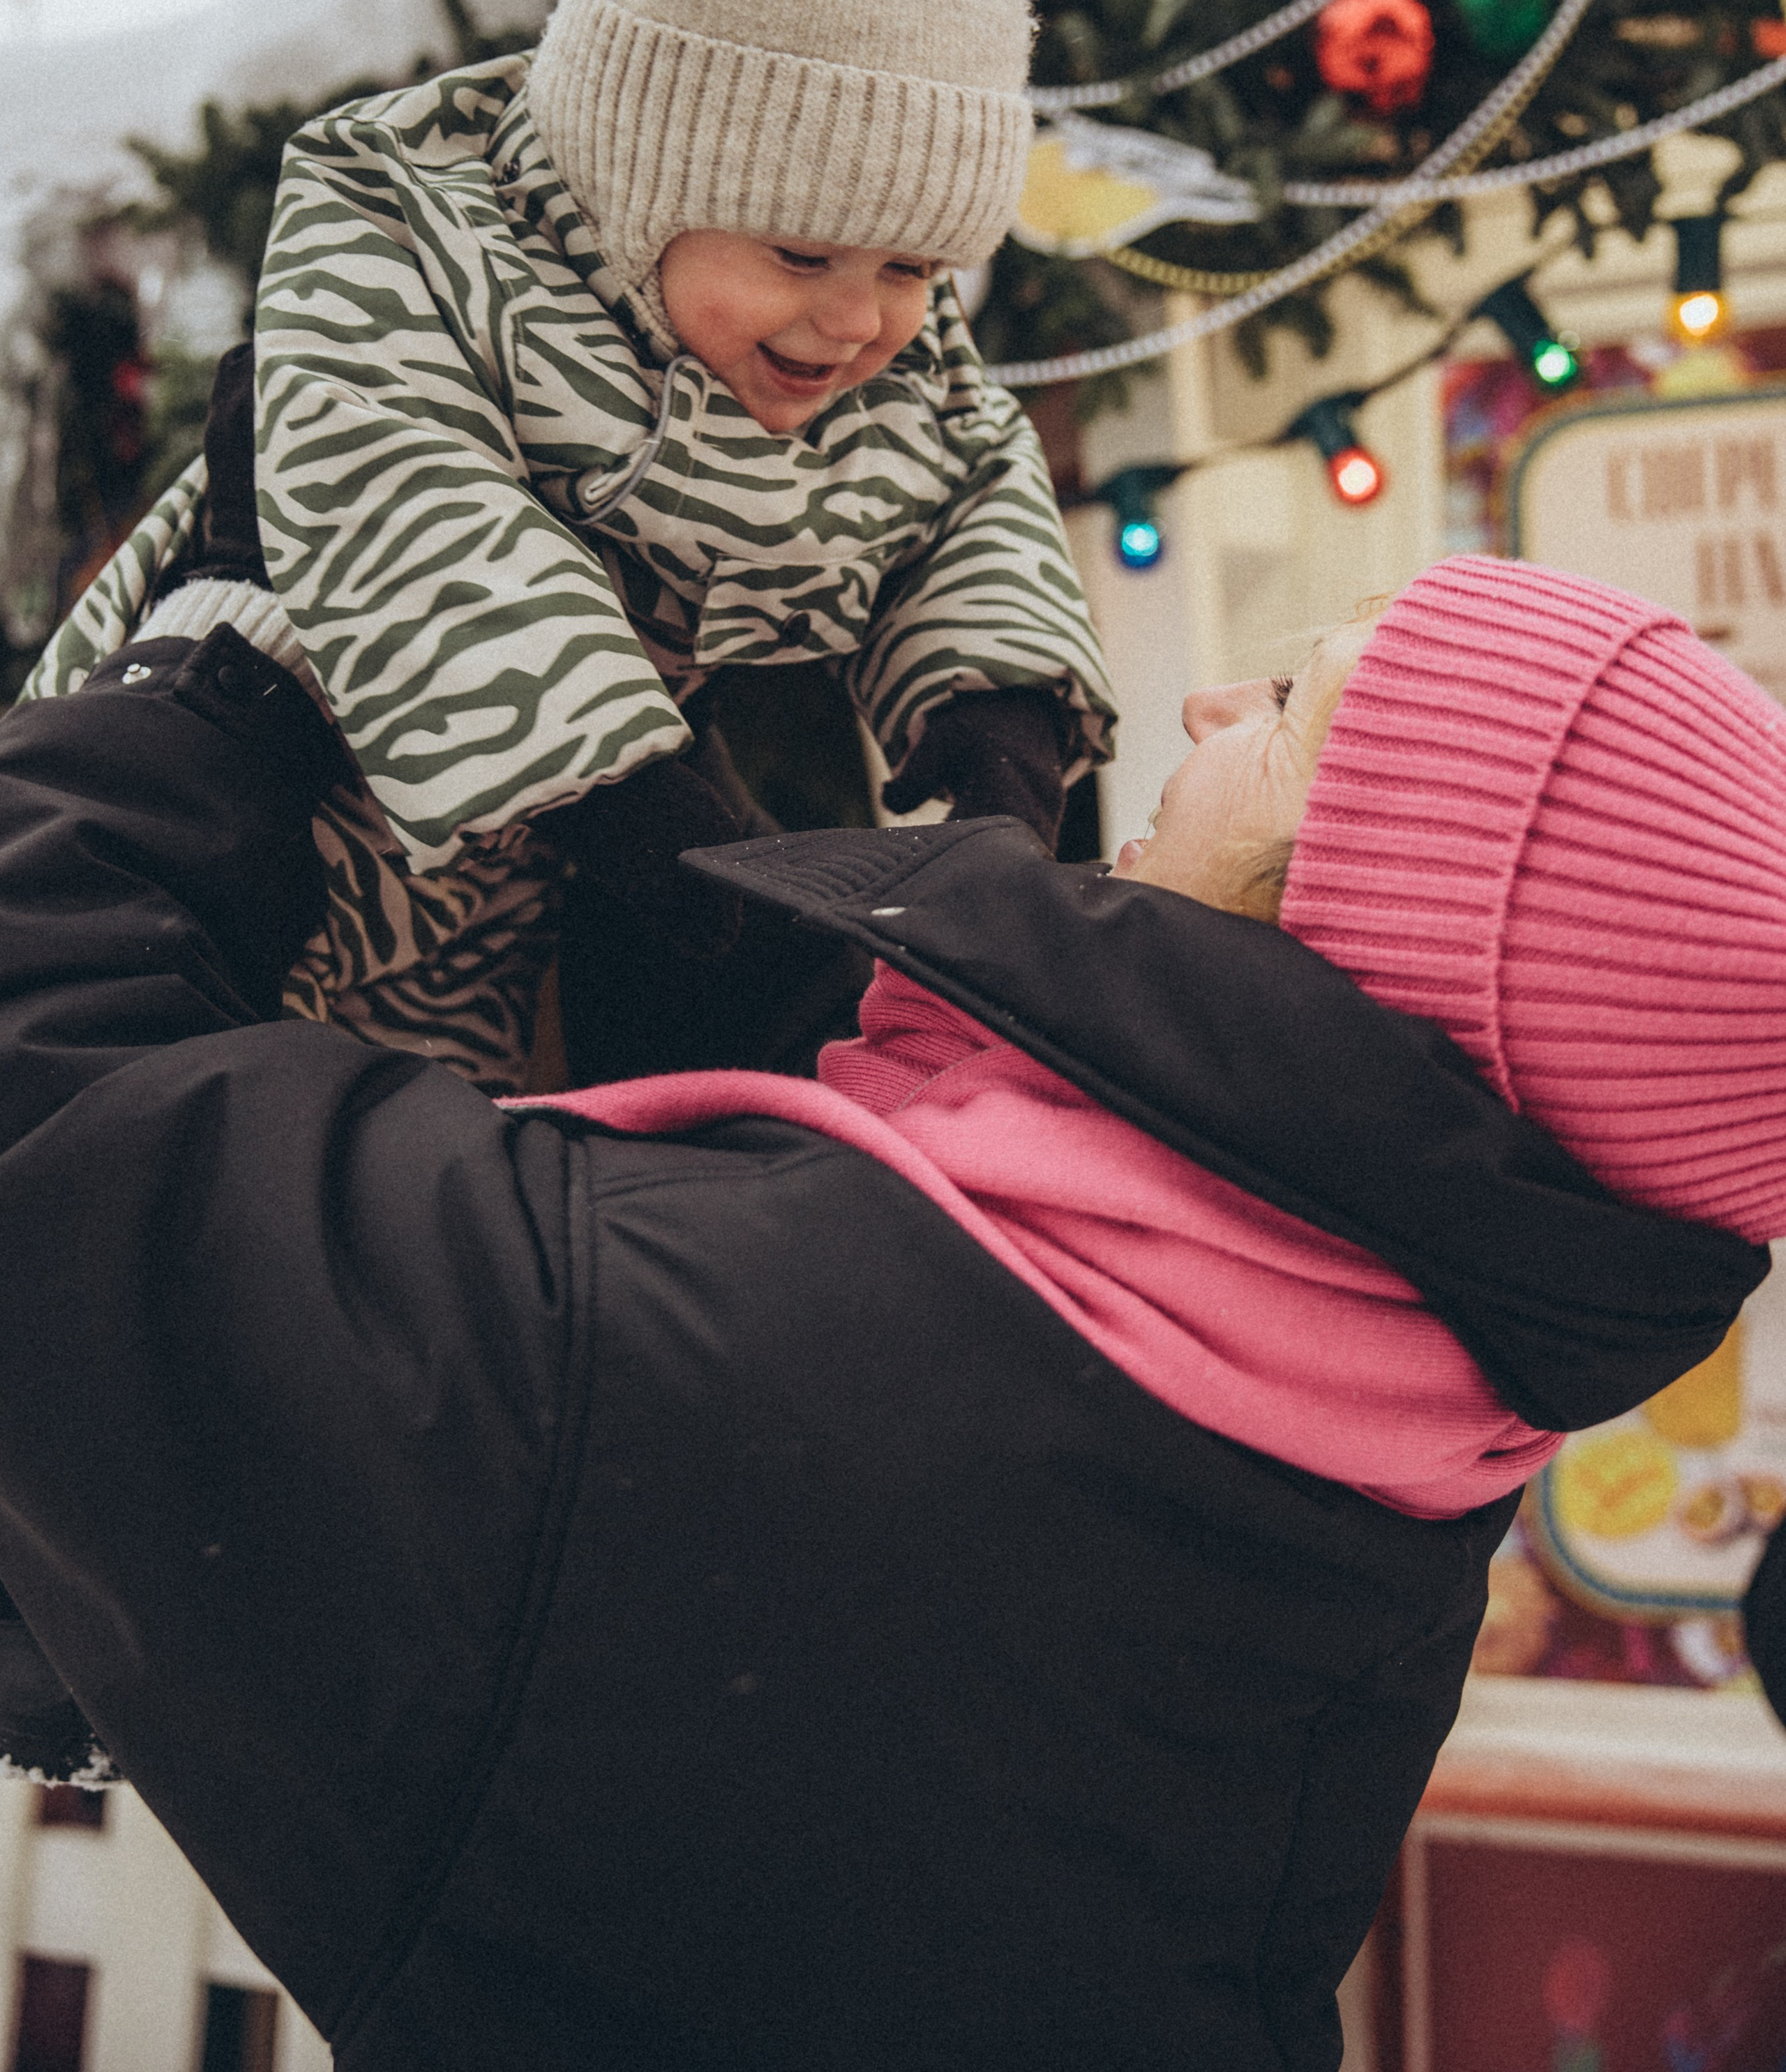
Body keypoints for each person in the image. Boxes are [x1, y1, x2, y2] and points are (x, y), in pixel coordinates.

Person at [0, 549, 1769, 2070]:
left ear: (1370, 927)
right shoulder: (1369, 1442)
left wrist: (204, 683)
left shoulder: (689, 1372)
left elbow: (60, 1154)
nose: (1212, 704)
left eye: (1297, 709)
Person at [22, 0, 1115, 1093]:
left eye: (913, 263)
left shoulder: (891, 357)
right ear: (639, 176)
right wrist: (639, 807)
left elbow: (969, 491)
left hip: (502, 892)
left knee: (421, 1159)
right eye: (798, 253)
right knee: (187, 1112)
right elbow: (403, 494)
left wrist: (995, 746)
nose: (853, 319)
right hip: (256, 766)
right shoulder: (408, 224)